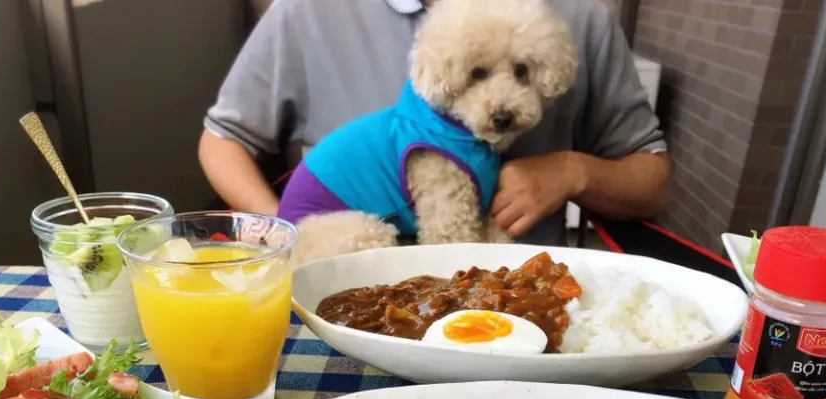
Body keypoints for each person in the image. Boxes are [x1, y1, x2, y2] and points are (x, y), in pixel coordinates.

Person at [199, 0, 670, 247]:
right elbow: (223, 140)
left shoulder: (582, 17)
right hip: (340, 292)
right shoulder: (305, 11)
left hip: (520, 286)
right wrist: (282, 233)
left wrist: (574, 172)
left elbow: (652, 183)